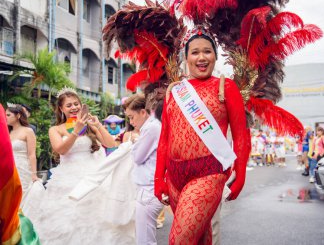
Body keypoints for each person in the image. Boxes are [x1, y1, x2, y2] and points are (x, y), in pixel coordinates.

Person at [154, 27, 251, 244]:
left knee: (179, 240)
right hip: (175, 176)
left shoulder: (227, 87)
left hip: (208, 173)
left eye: (207, 51)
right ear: (186, 58)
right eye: (195, 52)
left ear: (215, 56)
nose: (201, 57)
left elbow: (241, 135)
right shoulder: (175, 90)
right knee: (200, 239)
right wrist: (159, 177)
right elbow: (164, 139)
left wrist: (241, 175)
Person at [30, 88, 126, 244]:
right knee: (69, 220)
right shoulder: (55, 129)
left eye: (76, 104)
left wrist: (98, 125)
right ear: (61, 109)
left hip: (93, 175)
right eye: (69, 105)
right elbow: (60, 149)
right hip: (68, 178)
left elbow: (110, 144)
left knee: (97, 218)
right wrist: (75, 131)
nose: (74, 107)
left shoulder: (89, 125)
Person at [124, 93, 164, 245]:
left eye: (132, 117)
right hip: (148, 188)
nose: (131, 121)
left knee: (144, 240)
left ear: (143, 112)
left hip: (148, 190)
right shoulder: (152, 126)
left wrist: (134, 145)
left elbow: (138, 157)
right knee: (144, 237)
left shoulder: (151, 127)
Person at [6, 103, 39, 206]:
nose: (5, 117)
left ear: (18, 116)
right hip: (8, 168)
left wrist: (34, 173)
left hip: (23, 168)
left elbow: (32, 154)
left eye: (8, 115)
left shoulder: (28, 131)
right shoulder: (7, 132)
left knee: (22, 196)